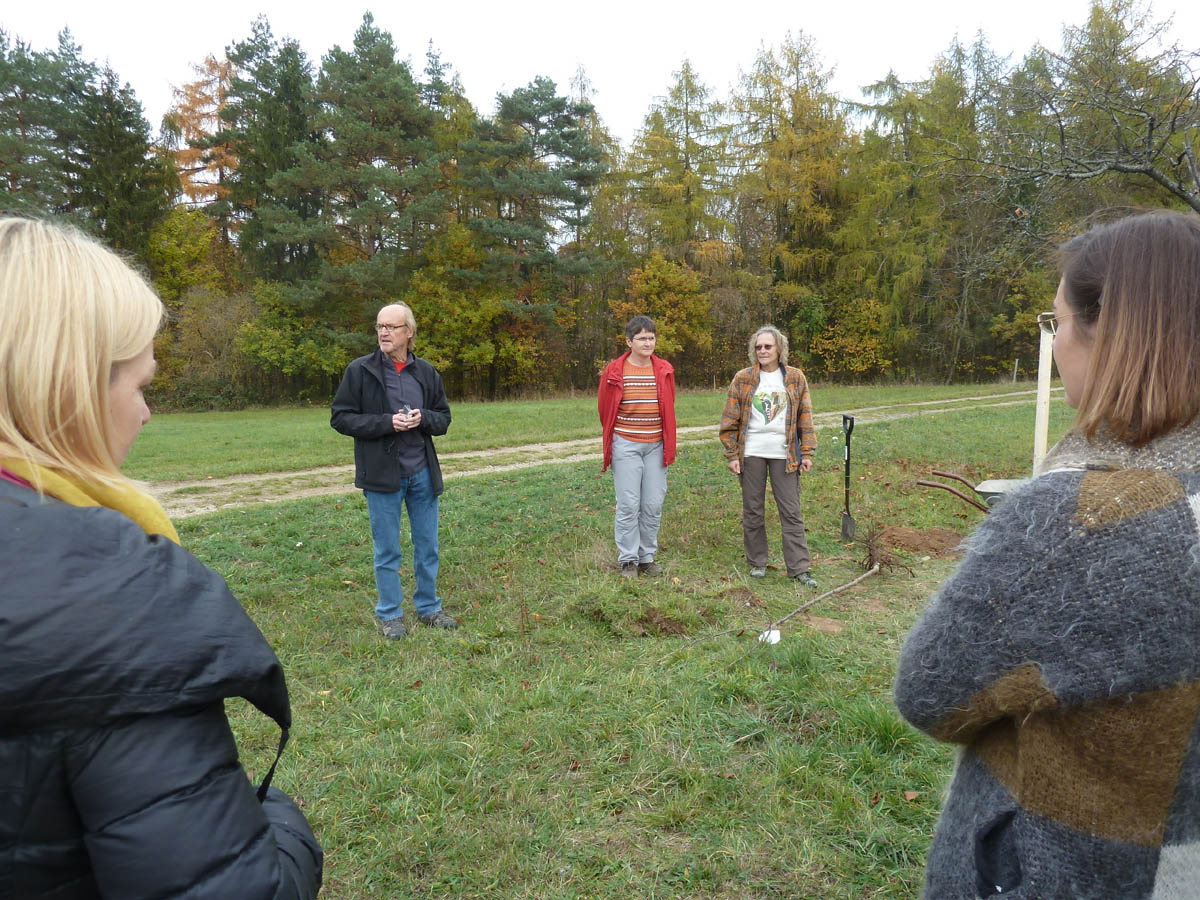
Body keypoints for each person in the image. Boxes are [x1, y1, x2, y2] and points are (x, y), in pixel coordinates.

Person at [0, 217, 323, 899]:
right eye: (139, 385)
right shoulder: (106, 592)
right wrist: (280, 825)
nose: (145, 413)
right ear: (69, 387)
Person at [894, 209, 1200, 899]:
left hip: (1068, 873)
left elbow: (930, 692)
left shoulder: (1077, 522)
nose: (1056, 343)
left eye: (1058, 322)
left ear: (1113, 336)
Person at [331, 303, 456, 638]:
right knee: (387, 549)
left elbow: (443, 418)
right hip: (382, 475)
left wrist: (422, 419)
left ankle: (429, 608)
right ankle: (391, 615)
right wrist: (387, 423)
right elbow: (341, 418)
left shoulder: (426, 372)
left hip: (422, 473)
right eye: (379, 326)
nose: (383, 333)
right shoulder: (360, 371)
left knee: (427, 545)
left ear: (408, 333)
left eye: (391, 327)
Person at [719, 325, 818, 586]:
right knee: (753, 510)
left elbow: (805, 419)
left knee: (791, 511)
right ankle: (757, 563)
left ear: (779, 349)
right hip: (751, 453)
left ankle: (798, 568)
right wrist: (732, 454)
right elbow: (729, 420)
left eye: (767, 346)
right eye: (758, 347)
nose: (762, 351)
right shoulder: (743, 378)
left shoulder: (795, 378)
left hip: (784, 455)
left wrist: (806, 452)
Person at [598, 315, 677, 577]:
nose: (648, 342)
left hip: (656, 446)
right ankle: (628, 560)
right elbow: (605, 408)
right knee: (629, 504)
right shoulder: (614, 371)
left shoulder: (664, 369)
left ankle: (647, 558)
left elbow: (669, 406)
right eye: (642, 338)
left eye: (651, 337)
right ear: (629, 341)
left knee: (653, 504)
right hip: (627, 445)